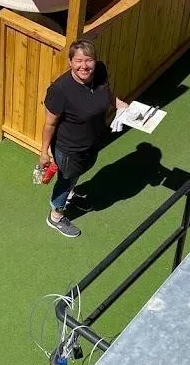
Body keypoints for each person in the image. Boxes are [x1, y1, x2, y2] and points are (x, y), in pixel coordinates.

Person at [40, 40, 127, 238]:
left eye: (89, 60)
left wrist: (121, 105)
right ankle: (56, 215)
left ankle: (70, 192)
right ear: (70, 61)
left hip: (92, 141)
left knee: (79, 171)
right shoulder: (60, 90)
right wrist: (44, 152)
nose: (84, 66)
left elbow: (106, 94)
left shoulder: (100, 73)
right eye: (78, 61)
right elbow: (50, 124)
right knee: (66, 180)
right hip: (69, 149)